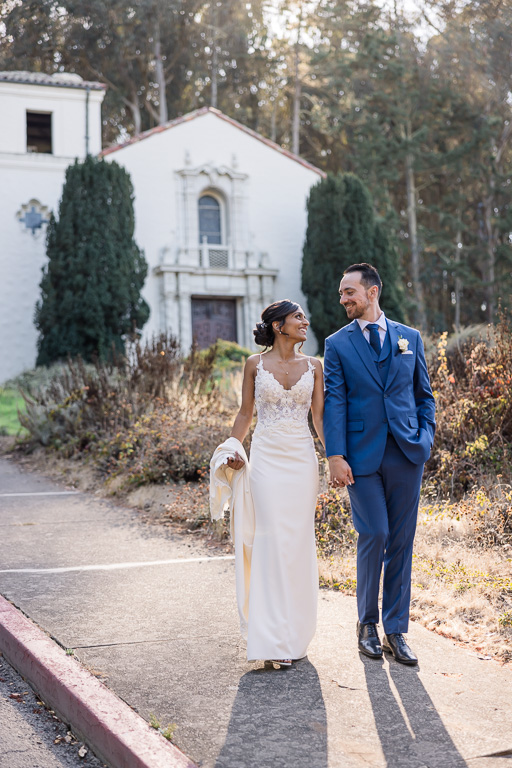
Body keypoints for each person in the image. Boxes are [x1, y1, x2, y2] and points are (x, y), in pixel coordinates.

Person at [323, 263, 436, 665]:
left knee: (402, 542)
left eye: (349, 291)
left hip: (407, 453)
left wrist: (425, 436)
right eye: (341, 293)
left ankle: (396, 630)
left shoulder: (410, 338)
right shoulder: (337, 344)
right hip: (361, 456)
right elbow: (334, 400)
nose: (343, 299)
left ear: (373, 292)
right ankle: (366, 624)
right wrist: (334, 455)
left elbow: (425, 395)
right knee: (375, 532)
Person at [211, 300, 324, 668]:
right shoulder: (254, 365)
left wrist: (338, 458)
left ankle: (295, 634)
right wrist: (233, 448)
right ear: (278, 326)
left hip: (302, 462)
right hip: (267, 461)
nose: (305, 322)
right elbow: (246, 413)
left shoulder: (315, 366)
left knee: (297, 541)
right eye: (298, 317)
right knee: (271, 539)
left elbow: (319, 420)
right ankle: (270, 639)